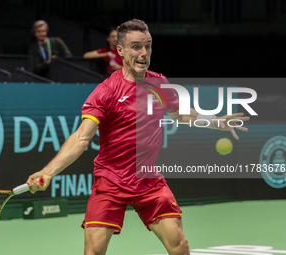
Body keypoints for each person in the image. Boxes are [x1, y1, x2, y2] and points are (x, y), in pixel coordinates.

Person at [27, 19, 249, 255]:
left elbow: (179, 115)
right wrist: (47, 172)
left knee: (180, 246)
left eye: (148, 46)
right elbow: (82, 137)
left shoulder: (158, 82)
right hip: (110, 182)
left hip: (148, 181)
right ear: (120, 50)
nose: (144, 53)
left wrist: (216, 121)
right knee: (93, 252)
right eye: (136, 47)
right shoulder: (106, 91)